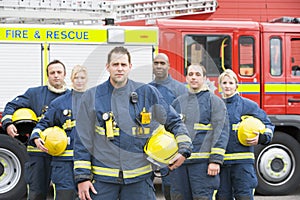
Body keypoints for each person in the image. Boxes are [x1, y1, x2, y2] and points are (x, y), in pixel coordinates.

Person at [73, 46, 192, 200]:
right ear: (107, 67)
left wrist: (184, 149)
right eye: (115, 65)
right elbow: (82, 140)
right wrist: (83, 178)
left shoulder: (147, 93)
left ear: (130, 67)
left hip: (139, 181)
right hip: (102, 180)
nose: (119, 69)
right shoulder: (91, 97)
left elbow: (174, 121)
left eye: (123, 65)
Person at [1, 60, 69, 200]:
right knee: (36, 193)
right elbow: (11, 106)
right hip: (38, 155)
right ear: (47, 76)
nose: (56, 76)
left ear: (64, 75)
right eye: (52, 73)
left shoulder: (72, 97)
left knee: (65, 194)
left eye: (59, 72)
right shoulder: (34, 94)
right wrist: (8, 123)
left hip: (64, 155)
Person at [28, 65, 88, 200]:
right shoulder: (59, 103)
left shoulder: (95, 102)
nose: (79, 81)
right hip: (63, 163)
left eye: (82, 78)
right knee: (65, 196)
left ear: (86, 80)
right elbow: (43, 123)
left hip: (86, 162)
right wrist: (36, 136)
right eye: (76, 78)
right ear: (71, 79)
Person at [170, 64, 229, 200]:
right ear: (186, 78)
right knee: (178, 197)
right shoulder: (178, 102)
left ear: (205, 78)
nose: (194, 78)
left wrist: (215, 160)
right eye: (190, 74)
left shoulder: (214, 101)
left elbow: (221, 132)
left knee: (202, 198)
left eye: (197, 75)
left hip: (202, 165)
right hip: (180, 164)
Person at [216, 69, 274, 200]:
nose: (227, 86)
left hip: (242, 165)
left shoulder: (248, 105)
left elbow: (268, 125)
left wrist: (262, 138)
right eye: (224, 83)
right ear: (220, 85)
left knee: (244, 197)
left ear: (236, 85)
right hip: (222, 164)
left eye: (231, 83)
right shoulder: (215, 106)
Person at [149, 53, 188, 200]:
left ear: (169, 66)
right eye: (156, 63)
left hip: (172, 146)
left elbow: (184, 118)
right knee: (146, 185)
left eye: (162, 63)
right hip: (151, 145)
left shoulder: (180, 89)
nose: (159, 66)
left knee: (172, 186)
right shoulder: (147, 89)